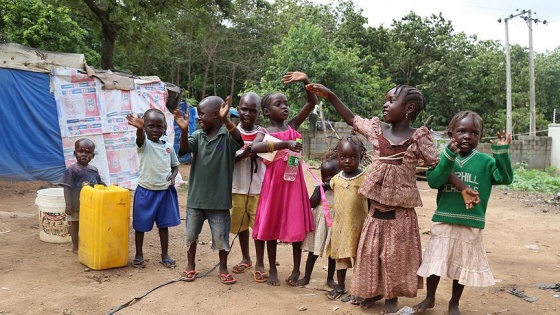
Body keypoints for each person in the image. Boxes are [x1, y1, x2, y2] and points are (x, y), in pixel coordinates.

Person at [306, 83, 440, 313]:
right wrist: (331, 96)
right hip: (375, 212)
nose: (385, 105)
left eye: (391, 101)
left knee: (394, 258)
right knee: (371, 254)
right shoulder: (377, 130)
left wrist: (461, 184)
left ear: (408, 108)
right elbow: (352, 119)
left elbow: (438, 164)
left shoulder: (419, 137)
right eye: (386, 100)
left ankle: (391, 297)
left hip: (400, 214)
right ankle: (373, 292)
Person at [413, 111, 513, 315]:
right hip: (444, 220)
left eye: (474, 133)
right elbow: (434, 181)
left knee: (461, 267)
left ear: (480, 136)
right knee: (435, 263)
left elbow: (504, 177)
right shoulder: (443, 158)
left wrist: (501, 152)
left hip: (471, 222)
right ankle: (430, 297)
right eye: (462, 131)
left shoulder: (485, 162)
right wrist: (448, 156)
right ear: (451, 134)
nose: (468, 136)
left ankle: (454, 303)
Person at [250, 71, 318, 286]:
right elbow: (254, 147)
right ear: (267, 112)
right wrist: (283, 144)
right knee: (271, 224)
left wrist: (306, 81)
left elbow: (312, 102)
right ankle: (272, 269)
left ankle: (297, 269)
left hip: (294, 185)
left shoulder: (293, 126)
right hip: (273, 186)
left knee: (295, 224)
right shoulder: (265, 130)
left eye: (286, 103)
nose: (284, 107)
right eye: (278, 104)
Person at [174, 95, 243, 285]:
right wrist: (184, 129)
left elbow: (240, 140)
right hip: (196, 198)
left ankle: (223, 268)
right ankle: (190, 265)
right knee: (191, 236)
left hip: (219, 201)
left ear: (215, 115)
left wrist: (226, 120)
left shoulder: (227, 136)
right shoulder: (197, 135)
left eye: (202, 114)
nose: (199, 118)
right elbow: (186, 150)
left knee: (221, 238)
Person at [126, 108, 181, 269]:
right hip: (146, 191)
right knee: (140, 225)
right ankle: (138, 255)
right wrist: (139, 129)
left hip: (164, 192)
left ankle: (165, 255)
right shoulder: (144, 144)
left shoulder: (168, 147)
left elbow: (175, 166)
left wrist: (173, 176)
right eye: (151, 126)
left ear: (165, 128)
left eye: (159, 126)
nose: (155, 130)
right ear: (145, 127)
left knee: (164, 225)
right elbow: (140, 138)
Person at [325, 134, 369, 301]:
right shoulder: (335, 179)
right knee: (341, 258)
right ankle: (340, 286)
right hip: (341, 228)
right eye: (343, 157)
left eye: (353, 157)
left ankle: (359, 290)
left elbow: (370, 203)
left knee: (360, 260)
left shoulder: (365, 178)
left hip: (360, 227)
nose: (347, 161)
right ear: (337, 157)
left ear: (361, 157)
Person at [230, 92, 265, 274]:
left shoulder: (262, 133)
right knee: (241, 225)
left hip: (258, 189)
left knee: (258, 228)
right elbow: (226, 159)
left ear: (258, 113)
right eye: (244, 109)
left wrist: (257, 150)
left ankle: (260, 262)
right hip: (236, 187)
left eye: (253, 110)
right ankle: (246, 257)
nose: (248, 114)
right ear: (238, 110)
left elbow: (266, 151)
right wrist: (242, 154)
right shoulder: (232, 133)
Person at [298, 151, 340, 288]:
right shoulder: (320, 188)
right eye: (324, 175)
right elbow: (311, 203)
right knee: (312, 254)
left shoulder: (341, 190)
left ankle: (330, 279)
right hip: (319, 226)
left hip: (334, 226)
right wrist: (322, 189)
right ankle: (306, 276)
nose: (327, 179)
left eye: (331, 175)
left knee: (332, 254)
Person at [60, 138, 104, 254]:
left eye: (88, 152)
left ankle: (87, 244)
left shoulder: (94, 170)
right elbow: (67, 187)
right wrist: (68, 204)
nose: (84, 155)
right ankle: (75, 247)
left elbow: (100, 185)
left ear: (93, 155)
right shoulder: (72, 170)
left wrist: (109, 188)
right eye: (80, 151)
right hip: (75, 205)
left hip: (90, 205)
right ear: (75, 153)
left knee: (88, 225)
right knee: (75, 224)